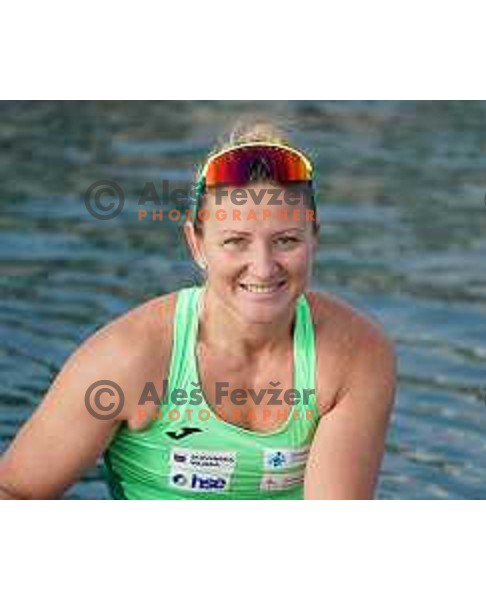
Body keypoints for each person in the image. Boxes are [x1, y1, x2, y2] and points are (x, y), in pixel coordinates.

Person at [0, 120, 397, 499]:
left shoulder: (356, 354)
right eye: (236, 241)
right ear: (196, 245)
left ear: (315, 240)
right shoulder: (127, 358)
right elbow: (15, 491)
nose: (262, 266)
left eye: (287, 240)